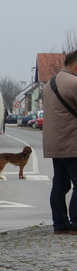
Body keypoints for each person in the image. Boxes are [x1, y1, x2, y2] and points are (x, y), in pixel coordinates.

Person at [42, 50, 77, 235]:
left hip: (55, 145)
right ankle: (75, 225)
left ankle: (60, 225)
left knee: (59, 186)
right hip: (73, 144)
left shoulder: (50, 83)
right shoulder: (74, 83)